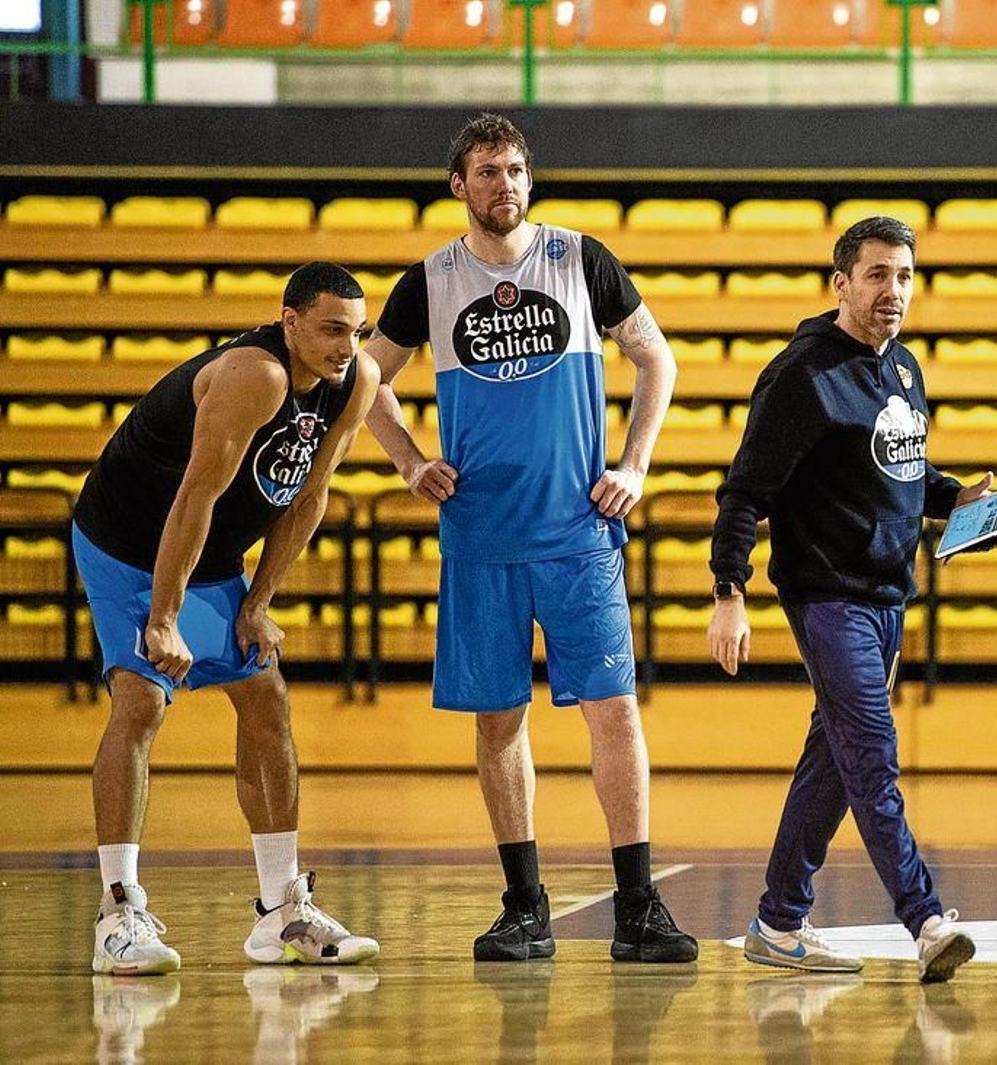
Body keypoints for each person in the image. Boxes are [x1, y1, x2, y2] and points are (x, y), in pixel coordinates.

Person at [362, 113, 695, 963]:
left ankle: (638, 905)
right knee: (497, 722)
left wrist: (636, 463)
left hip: (580, 531)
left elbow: (657, 360)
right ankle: (525, 905)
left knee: (615, 712)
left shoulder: (581, 258)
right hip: (481, 538)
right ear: (458, 185)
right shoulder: (429, 281)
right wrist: (407, 460)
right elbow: (361, 378)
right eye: (485, 170)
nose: (502, 183)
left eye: (513, 169)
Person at [76, 262, 382, 974]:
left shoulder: (354, 381)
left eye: (357, 330)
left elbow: (310, 495)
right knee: (143, 697)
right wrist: (162, 619)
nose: (346, 344)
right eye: (332, 327)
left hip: (210, 554)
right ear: (290, 321)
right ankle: (117, 914)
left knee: (267, 698)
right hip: (128, 541)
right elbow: (196, 495)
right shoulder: (257, 376)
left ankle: (282, 911)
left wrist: (258, 602)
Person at [707, 216, 987, 983]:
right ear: (841, 282)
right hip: (829, 599)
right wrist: (729, 590)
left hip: (890, 597)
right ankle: (925, 920)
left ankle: (778, 919)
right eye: (875, 275)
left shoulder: (903, 369)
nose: (892, 291)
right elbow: (743, 492)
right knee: (871, 756)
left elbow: (903, 475)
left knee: (832, 762)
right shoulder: (802, 375)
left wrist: (964, 500)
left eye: (903, 275)